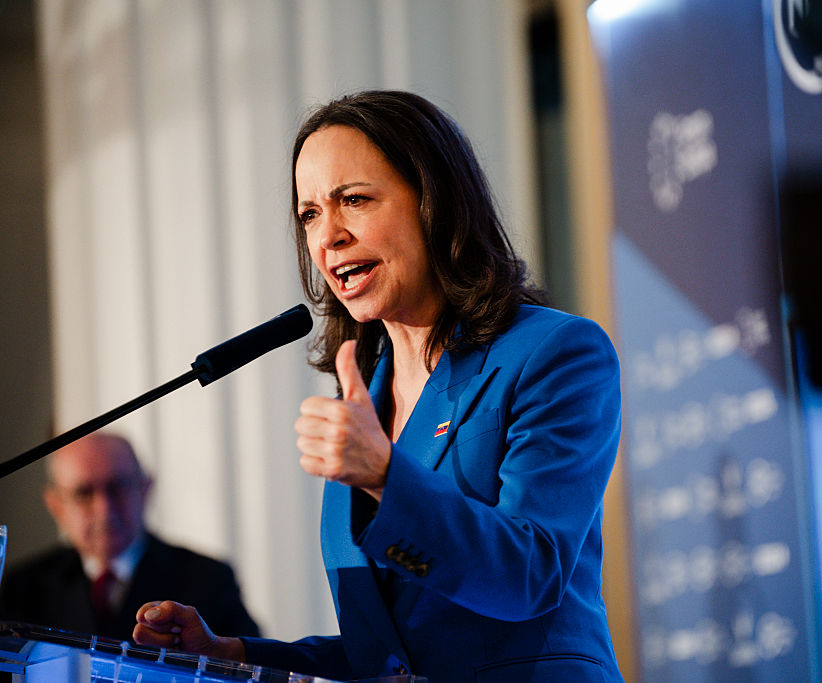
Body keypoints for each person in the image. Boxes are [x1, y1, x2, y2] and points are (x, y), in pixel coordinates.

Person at [133, 90, 624, 682]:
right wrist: (234, 656)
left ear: (435, 204)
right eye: (310, 213)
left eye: (355, 200)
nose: (328, 236)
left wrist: (383, 474)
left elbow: (530, 575)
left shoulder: (553, 353)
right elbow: (392, 655)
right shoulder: (365, 398)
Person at [0, 432, 260, 641]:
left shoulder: (209, 579)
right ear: (56, 506)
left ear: (145, 489)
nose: (104, 509)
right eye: (84, 493)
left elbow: (250, 670)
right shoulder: (23, 587)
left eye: (118, 487)